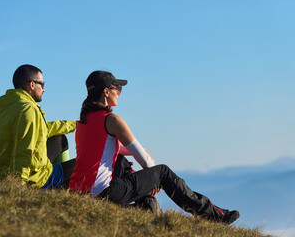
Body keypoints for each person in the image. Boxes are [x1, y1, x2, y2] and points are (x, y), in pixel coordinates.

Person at [69, 70, 240, 224]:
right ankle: (214, 216)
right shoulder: (112, 120)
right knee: (163, 171)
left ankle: (146, 206)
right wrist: (155, 180)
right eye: (117, 88)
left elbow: (103, 150)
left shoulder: (83, 122)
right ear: (106, 92)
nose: (120, 92)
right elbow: (144, 160)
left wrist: (146, 174)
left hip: (79, 193)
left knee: (120, 161)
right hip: (101, 194)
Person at [0, 64, 76, 189]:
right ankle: (59, 195)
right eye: (42, 84)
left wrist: (77, 125)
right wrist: (17, 186)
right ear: (32, 85)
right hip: (31, 181)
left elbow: (44, 128)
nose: (44, 89)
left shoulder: (9, 106)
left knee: (60, 139)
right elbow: (24, 151)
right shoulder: (28, 110)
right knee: (87, 165)